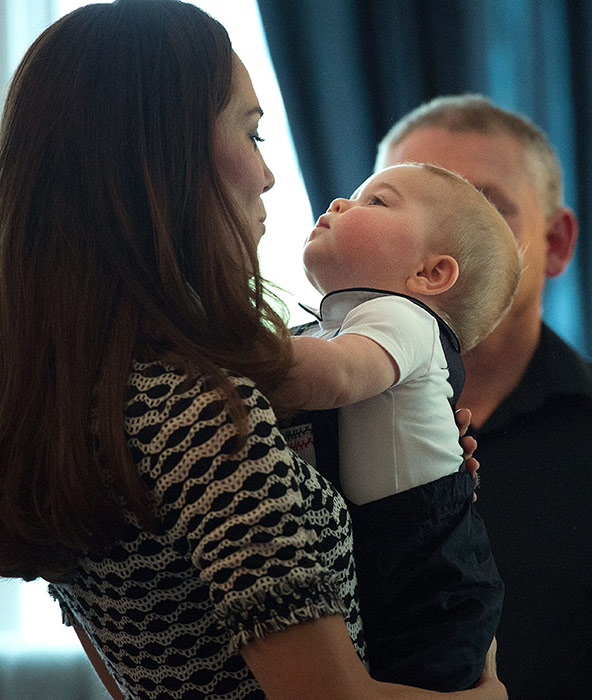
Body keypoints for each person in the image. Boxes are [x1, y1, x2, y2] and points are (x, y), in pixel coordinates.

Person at [0, 3, 509, 699]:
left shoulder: (60, 390)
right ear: (164, 154)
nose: (270, 176)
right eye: (254, 133)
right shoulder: (200, 404)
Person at [375, 94, 592, 699]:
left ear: (554, 243)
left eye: (487, 210)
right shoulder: (308, 429)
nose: (447, 245)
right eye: (408, 207)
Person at [276, 162, 519, 691]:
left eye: (376, 202)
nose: (340, 203)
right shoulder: (327, 331)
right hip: (382, 558)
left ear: (429, 276)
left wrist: (221, 343)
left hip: (432, 577)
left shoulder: (402, 315)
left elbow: (337, 376)